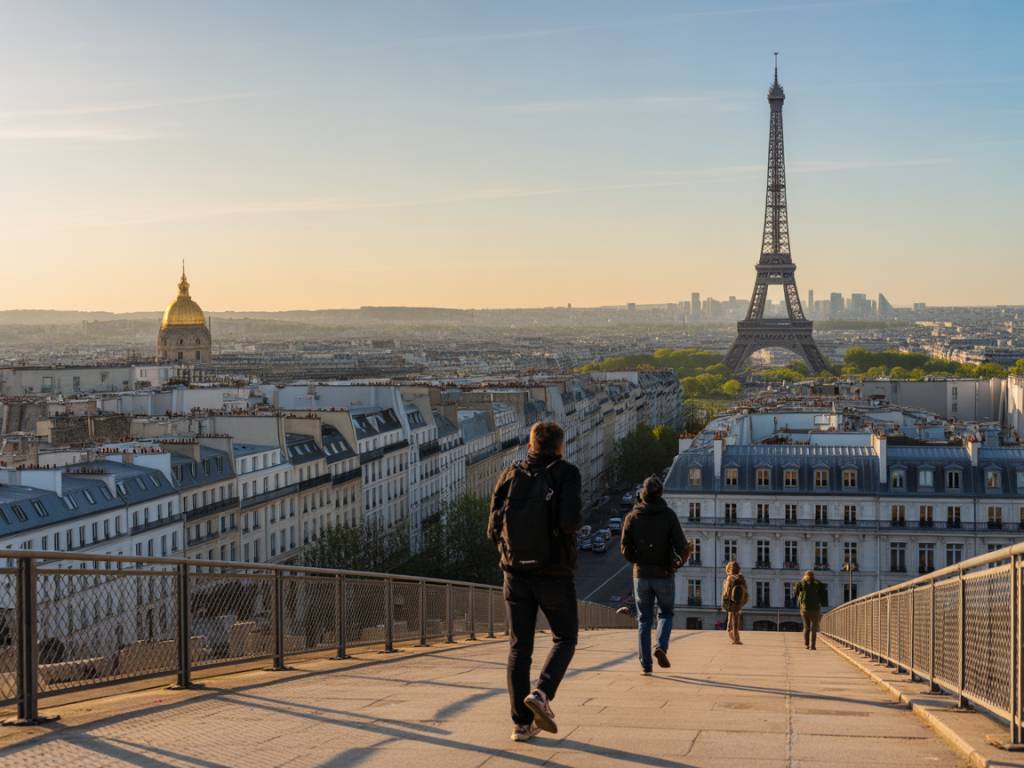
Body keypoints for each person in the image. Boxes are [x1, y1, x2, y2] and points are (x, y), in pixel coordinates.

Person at [488, 421, 583, 743]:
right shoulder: (566, 473)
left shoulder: (509, 474)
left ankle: (520, 724)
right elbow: (570, 522)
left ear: (530, 444)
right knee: (565, 637)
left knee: (519, 648)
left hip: (514, 574)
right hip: (553, 572)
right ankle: (542, 693)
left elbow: (492, 528)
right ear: (559, 446)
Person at [620, 475, 687, 675]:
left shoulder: (632, 516)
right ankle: (660, 646)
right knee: (665, 613)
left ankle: (646, 664)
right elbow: (682, 546)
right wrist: (677, 562)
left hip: (641, 574)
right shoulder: (668, 515)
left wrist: (637, 559)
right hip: (664, 573)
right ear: (660, 494)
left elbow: (624, 548)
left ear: (643, 493)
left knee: (644, 620)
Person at [794, 570, 826, 650]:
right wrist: (822, 603)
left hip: (804, 609)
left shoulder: (801, 583)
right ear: (813, 576)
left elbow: (796, 593)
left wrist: (799, 601)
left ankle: (806, 644)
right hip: (815, 608)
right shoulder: (818, 583)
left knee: (806, 627)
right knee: (814, 628)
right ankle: (813, 645)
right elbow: (823, 592)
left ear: (805, 576)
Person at [721, 561, 748, 645]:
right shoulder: (742, 578)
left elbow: (726, 592)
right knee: (736, 621)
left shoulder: (729, 578)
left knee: (730, 620)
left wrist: (725, 600)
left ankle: (734, 638)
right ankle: (736, 638)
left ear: (729, 569)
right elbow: (745, 590)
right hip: (738, 602)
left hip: (731, 602)